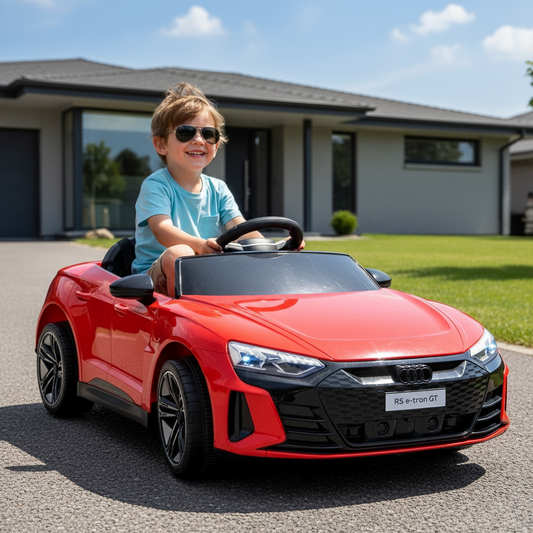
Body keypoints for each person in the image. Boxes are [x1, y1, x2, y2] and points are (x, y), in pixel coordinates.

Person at [131, 82, 303, 296]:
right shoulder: (156, 185)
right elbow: (162, 230)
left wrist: (273, 248)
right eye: (185, 132)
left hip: (206, 272)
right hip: (152, 280)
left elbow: (240, 228)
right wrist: (200, 245)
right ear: (161, 145)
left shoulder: (218, 188)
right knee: (180, 253)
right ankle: (181, 311)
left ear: (217, 144)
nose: (198, 140)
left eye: (208, 134)